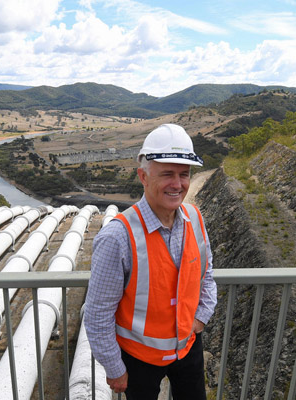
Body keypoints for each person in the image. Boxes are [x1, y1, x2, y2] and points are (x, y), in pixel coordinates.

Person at [84, 123, 217, 400]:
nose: (177, 184)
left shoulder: (195, 219)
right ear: (143, 176)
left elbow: (206, 275)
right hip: (138, 361)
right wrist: (114, 367)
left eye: (184, 174)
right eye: (167, 174)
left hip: (188, 348)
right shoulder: (117, 237)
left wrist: (200, 318)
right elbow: (98, 313)